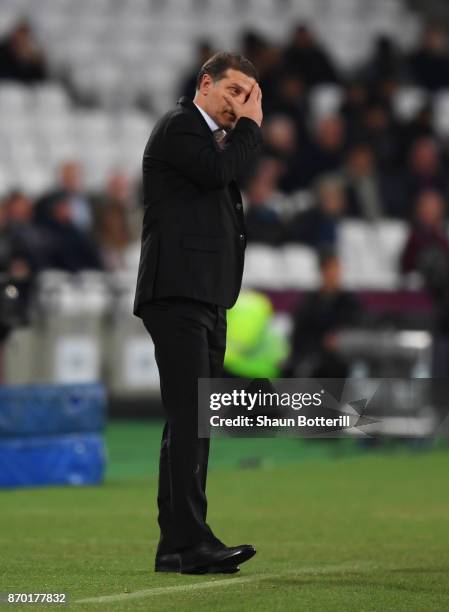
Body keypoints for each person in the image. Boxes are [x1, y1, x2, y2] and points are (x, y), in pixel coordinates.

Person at [133, 52, 263, 574]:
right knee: (191, 416)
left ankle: (178, 545)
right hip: (178, 293)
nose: (240, 105)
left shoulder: (209, 139)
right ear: (205, 83)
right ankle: (191, 540)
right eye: (234, 91)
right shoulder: (181, 126)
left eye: (249, 96)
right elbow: (217, 172)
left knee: (194, 419)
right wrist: (252, 128)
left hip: (204, 296)